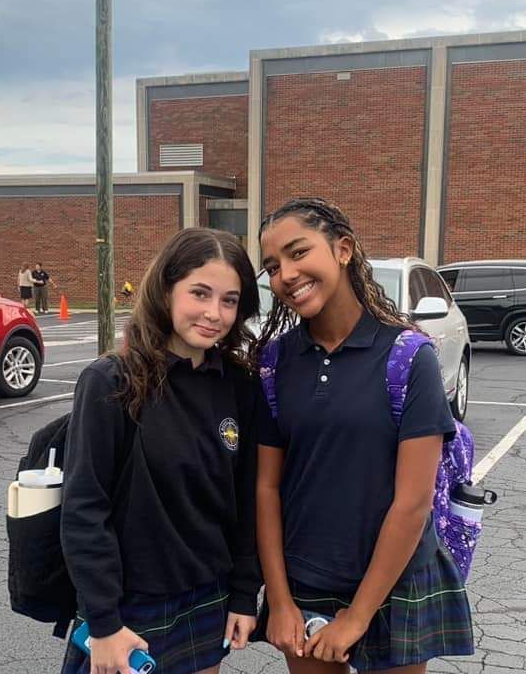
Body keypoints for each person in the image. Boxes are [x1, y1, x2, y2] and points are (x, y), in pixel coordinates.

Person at [253, 198, 474, 674]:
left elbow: (413, 503)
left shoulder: (408, 356)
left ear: (344, 249)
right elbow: (266, 487)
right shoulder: (274, 364)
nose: (285, 274)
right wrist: (281, 600)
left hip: (394, 581)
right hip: (305, 582)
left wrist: (357, 617)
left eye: (297, 253)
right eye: (272, 266)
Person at [60, 227, 263, 674]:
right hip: (128, 606)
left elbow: (247, 503)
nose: (214, 313)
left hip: (209, 597)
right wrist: (104, 622)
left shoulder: (241, 387)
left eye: (229, 300)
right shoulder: (112, 381)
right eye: (200, 293)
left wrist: (245, 594)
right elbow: (84, 509)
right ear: (166, 289)